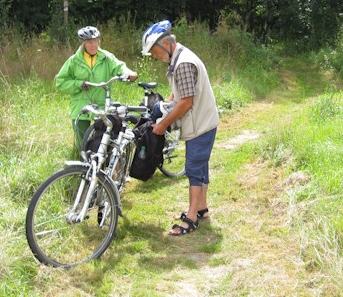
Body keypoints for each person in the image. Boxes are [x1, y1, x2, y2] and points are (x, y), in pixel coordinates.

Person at [141, 20, 220, 236]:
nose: (154, 56)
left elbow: (186, 103)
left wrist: (163, 124)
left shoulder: (183, 63)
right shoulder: (179, 57)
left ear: (166, 43)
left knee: (194, 168)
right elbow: (179, 94)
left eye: (154, 51)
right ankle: (201, 208)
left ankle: (192, 217)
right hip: (205, 120)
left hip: (200, 124)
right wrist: (167, 105)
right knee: (201, 167)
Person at [56, 26, 138, 149]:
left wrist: (129, 73)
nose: (93, 44)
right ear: (83, 43)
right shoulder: (73, 61)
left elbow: (119, 67)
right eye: (90, 42)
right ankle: (84, 166)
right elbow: (60, 82)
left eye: (96, 41)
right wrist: (79, 84)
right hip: (81, 106)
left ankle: (103, 165)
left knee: (104, 141)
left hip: (102, 105)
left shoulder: (106, 57)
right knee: (82, 144)